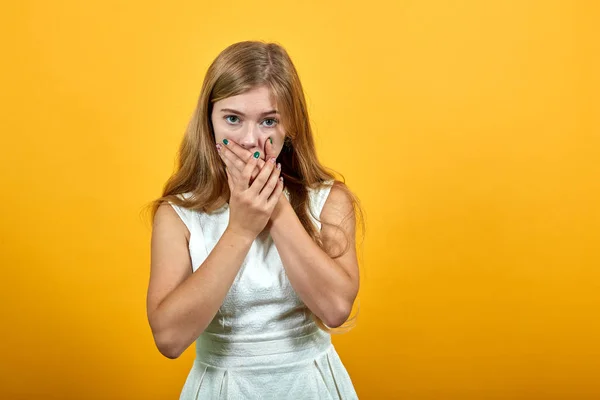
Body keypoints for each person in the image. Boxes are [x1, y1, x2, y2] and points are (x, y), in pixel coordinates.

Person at [146, 40, 363, 399]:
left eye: (268, 121)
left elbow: (337, 308)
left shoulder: (329, 201)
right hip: (222, 388)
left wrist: (273, 205)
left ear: (290, 125)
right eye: (233, 118)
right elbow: (169, 339)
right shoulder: (178, 216)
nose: (250, 141)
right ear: (210, 122)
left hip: (310, 386)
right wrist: (241, 228)